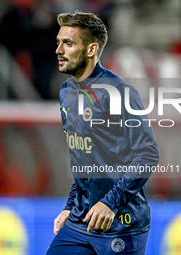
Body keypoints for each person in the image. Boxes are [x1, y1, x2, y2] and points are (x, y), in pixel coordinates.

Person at [46, 12, 159, 255]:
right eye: (58, 42)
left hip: (121, 222)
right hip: (81, 220)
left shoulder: (119, 93)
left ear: (90, 49)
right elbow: (85, 158)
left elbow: (148, 154)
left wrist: (110, 203)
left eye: (68, 43)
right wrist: (72, 205)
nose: (58, 50)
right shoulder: (67, 92)